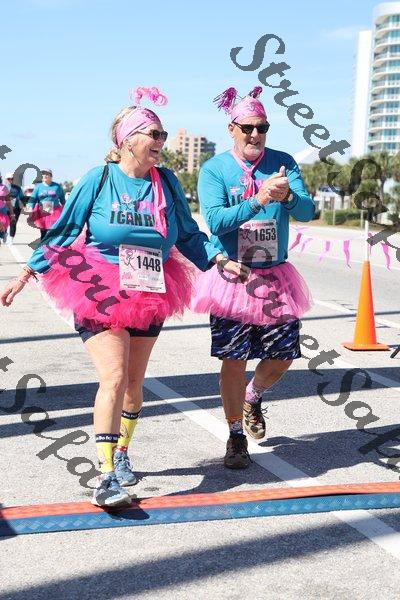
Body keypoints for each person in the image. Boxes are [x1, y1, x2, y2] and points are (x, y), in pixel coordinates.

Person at [1, 86, 242, 507]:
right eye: (154, 134)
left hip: (150, 288)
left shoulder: (166, 182)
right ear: (128, 139)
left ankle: (123, 451)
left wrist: (219, 260)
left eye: (163, 134)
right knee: (113, 376)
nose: (161, 142)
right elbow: (63, 231)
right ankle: (105, 475)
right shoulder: (99, 179)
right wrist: (26, 273)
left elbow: (187, 234)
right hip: (98, 286)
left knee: (133, 381)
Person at [192, 86, 315, 469]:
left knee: (282, 356)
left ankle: (253, 397)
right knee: (233, 360)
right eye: (247, 127)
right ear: (232, 129)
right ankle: (235, 436)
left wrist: (288, 197)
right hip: (233, 276)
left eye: (262, 127)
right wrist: (259, 199)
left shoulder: (283, 162)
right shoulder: (215, 169)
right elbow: (216, 221)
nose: (255, 134)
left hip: (275, 276)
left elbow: (307, 211)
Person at [26, 168, 65, 240]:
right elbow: (33, 199)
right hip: (42, 211)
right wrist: (30, 207)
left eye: (47, 174)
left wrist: (65, 207)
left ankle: (52, 244)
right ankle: (43, 244)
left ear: (51, 176)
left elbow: (62, 198)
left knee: (53, 229)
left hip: (55, 210)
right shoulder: (38, 187)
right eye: (43, 174)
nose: (45, 176)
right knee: (43, 230)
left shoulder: (57, 186)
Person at [4, 172, 24, 245]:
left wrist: (23, 204)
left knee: (13, 223)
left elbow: (22, 197)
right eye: (8, 179)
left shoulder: (18, 188)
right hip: (4, 209)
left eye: (12, 179)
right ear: (6, 179)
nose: (10, 180)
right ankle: (4, 236)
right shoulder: (2, 187)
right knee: (4, 222)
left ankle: (11, 239)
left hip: (15, 208)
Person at [0, 175, 15, 246]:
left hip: (2, 210)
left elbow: (8, 202)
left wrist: (12, 214)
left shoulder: (3, 188)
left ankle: (4, 234)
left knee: (2, 226)